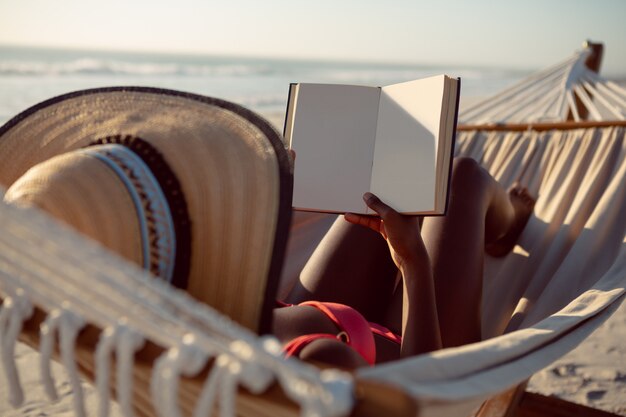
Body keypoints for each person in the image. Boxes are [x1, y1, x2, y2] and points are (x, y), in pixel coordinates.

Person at [272, 156, 535, 369]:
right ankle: (509, 224)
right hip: (423, 350)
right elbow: (424, 390)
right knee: (462, 176)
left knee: (390, 183)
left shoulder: (233, 321)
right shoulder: (322, 363)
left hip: (315, 315)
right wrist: (413, 261)